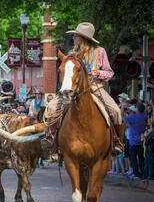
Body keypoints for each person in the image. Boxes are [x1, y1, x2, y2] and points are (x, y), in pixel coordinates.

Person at [45, 22, 125, 155]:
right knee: (52, 107)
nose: (73, 38)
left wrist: (99, 73)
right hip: (73, 88)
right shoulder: (72, 53)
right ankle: (51, 140)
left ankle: (117, 142)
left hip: (95, 87)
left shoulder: (100, 52)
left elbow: (109, 72)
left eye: (76, 35)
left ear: (83, 38)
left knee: (116, 111)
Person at [124, 103, 147, 179]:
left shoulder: (133, 117)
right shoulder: (144, 116)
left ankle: (136, 173)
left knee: (133, 158)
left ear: (137, 109)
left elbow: (123, 119)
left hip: (133, 141)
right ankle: (142, 173)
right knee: (141, 158)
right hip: (141, 141)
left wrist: (123, 109)